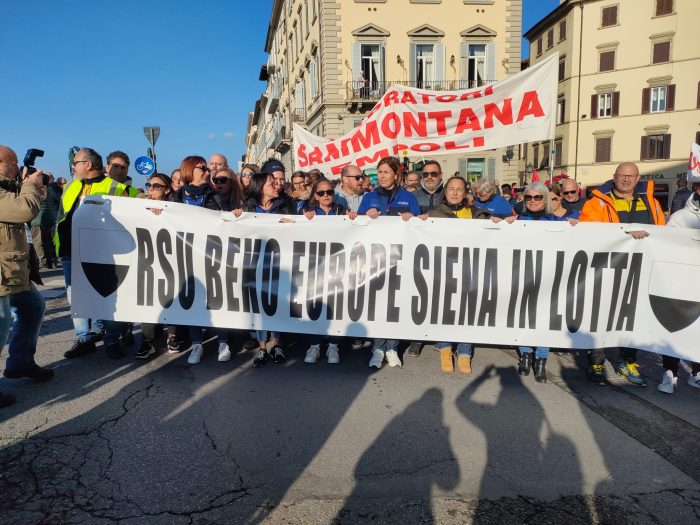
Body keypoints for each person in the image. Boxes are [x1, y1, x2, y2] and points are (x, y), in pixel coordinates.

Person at [580, 162, 665, 386]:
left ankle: (628, 360)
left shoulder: (651, 202)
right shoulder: (597, 202)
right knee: (600, 314)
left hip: (639, 270)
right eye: (622, 175)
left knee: (632, 316)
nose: (626, 180)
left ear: (638, 179)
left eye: (631, 176)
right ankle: (596, 360)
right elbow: (589, 231)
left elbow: (661, 232)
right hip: (606, 268)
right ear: (614, 177)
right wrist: (626, 233)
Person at [56, 148, 132, 360]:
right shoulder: (70, 186)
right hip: (70, 252)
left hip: (102, 254)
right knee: (76, 299)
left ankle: (111, 340)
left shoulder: (115, 188)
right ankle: (83, 339)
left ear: (88, 164)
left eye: (77, 162)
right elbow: (61, 217)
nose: (74, 166)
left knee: (106, 297)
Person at [493, 182, 569, 382]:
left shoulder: (558, 221)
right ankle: (525, 355)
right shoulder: (517, 221)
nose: (533, 201)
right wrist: (499, 223)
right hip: (522, 278)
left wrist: (576, 228)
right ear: (524, 200)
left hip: (548, 279)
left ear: (545, 199)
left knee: (544, 319)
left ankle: (541, 359)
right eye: (529, 198)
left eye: (538, 197)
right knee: (523, 317)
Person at [0, 145, 53, 408]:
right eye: (12, 163)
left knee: (33, 306)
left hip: (12, 269)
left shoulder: (7, 188)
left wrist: (28, 184)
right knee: (0, 324)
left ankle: (20, 362)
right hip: (1, 272)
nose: (15, 168)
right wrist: (30, 185)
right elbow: (24, 211)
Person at [356, 156, 421, 369]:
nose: (381, 176)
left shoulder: (408, 197)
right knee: (377, 304)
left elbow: (419, 226)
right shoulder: (370, 197)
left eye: (385, 172)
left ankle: (392, 347)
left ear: (396, 174)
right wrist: (366, 214)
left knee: (395, 304)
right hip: (375, 259)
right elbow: (357, 226)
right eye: (379, 172)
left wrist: (411, 217)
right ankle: (377, 347)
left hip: (400, 259)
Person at [170, 156, 231, 364]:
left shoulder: (215, 195)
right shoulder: (176, 198)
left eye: (207, 168)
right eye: (202, 168)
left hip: (212, 255)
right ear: (189, 170)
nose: (207, 171)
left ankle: (223, 341)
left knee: (217, 298)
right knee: (192, 300)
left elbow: (224, 221)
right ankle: (197, 345)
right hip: (186, 257)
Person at [429, 175, 491, 374]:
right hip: (444, 272)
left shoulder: (477, 214)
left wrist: (500, 221)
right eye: (451, 189)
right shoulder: (434, 214)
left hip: (469, 272)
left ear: (465, 193)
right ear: (445, 192)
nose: (455, 192)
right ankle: (445, 349)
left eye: (459, 189)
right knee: (444, 310)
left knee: (467, 312)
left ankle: (465, 352)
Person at [243, 172, 295, 367]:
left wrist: (293, 223)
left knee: (276, 303)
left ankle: (277, 345)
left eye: (276, 183)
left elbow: (299, 227)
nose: (276, 186)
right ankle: (262, 347)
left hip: (279, 264)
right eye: (271, 183)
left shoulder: (284, 205)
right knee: (259, 307)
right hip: (255, 265)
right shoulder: (247, 207)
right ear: (260, 187)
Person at [658, 186, 700, 392]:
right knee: (675, 325)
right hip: (682, 281)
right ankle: (670, 372)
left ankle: (697, 372)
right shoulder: (681, 217)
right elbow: (669, 245)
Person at [302, 178, 348, 364]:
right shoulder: (308, 213)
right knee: (316, 306)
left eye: (329, 192)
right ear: (315, 195)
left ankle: (333, 346)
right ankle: (314, 346)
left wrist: (352, 218)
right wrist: (304, 220)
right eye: (321, 193)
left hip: (338, 267)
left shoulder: (342, 211)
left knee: (335, 308)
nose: (326, 195)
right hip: (316, 268)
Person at [30, 172, 61, 269]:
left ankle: (43, 262)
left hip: (37, 219)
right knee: (50, 241)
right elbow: (58, 200)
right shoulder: (51, 189)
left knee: (38, 243)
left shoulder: (35, 189)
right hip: (51, 218)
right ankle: (53, 260)